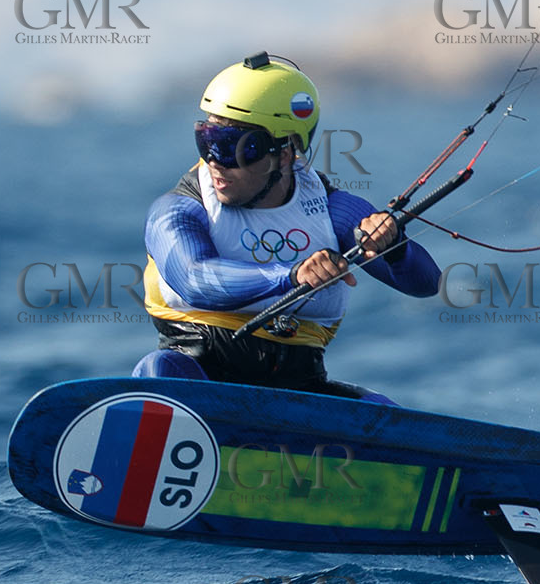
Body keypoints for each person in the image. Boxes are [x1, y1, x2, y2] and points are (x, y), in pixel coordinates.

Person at [133, 51, 440, 403]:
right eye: (207, 141)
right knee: (160, 368)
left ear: (285, 152)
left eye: (232, 146)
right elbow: (195, 280)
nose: (215, 161)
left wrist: (395, 248)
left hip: (299, 390)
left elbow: (427, 285)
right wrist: (291, 276)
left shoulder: (333, 209)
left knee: (381, 409)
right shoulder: (177, 209)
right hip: (200, 379)